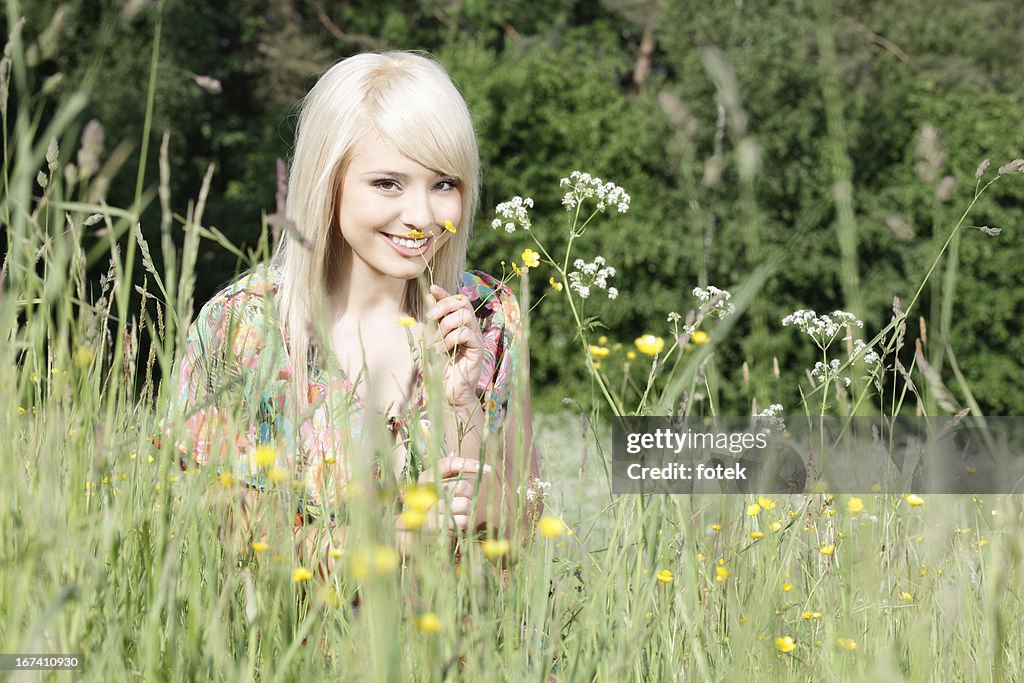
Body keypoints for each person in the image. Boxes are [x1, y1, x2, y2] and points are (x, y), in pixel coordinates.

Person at [167, 51, 543, 573]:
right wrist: (386, 544)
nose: (421, 217)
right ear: (329, 180)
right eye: (388, 183)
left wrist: (464, 415)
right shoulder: (242, 325)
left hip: (451, 649)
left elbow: (524, 528)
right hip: (284, 650)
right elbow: (215, 538)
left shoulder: (490, 314)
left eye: (444, 184)